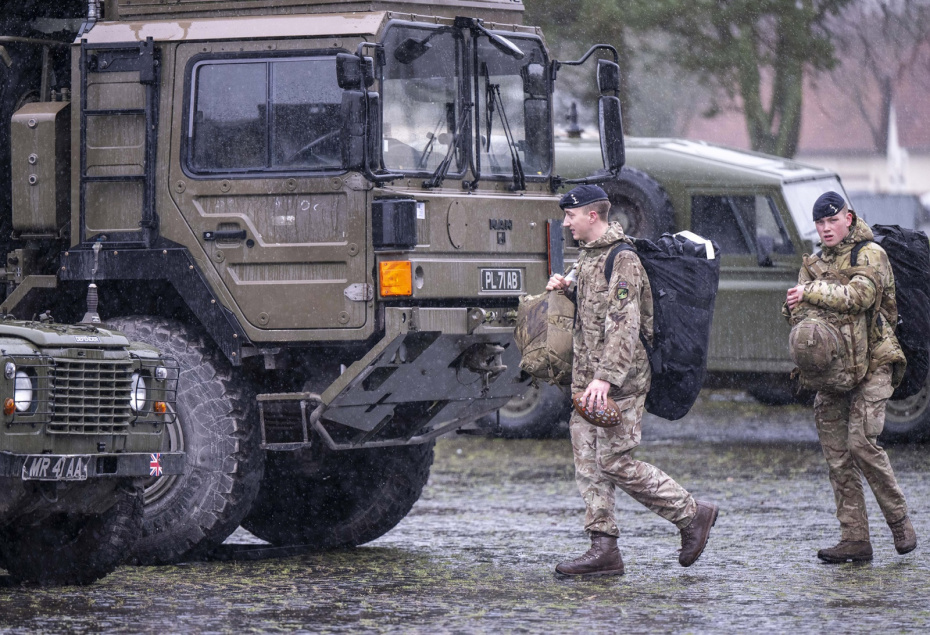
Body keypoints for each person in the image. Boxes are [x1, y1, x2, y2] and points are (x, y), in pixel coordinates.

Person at [546, 184, 718, 576]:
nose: (566, 223)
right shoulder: (589, 256)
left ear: (593, 216)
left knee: (614, 461)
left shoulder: (622, 259)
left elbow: (624, 325)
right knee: (588, 462)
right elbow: (593, 314)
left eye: (571, 216)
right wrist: (568, 291)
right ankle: (603, 548)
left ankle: (692, 514)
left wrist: (606, 380)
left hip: (619, 382)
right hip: (587, 381)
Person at [785, 191, 917, 563]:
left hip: (875, 362)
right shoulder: (814, 263)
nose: (826, 228)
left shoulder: (870, 254)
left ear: (849, 218)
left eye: (833, 220)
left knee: (861, 444)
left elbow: (860, 296)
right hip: (833, 369)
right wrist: (795, 307)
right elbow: (796, 312)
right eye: (820, 222)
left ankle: (899, 521)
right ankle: (854, 538)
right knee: (837, 456)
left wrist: (810, 292)